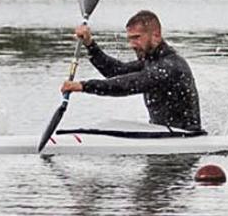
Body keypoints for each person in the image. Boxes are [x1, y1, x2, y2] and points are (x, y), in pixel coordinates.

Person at [61, 10, 202, 133]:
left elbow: (130, 84)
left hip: (184, 137)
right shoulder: (151, 61)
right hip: (164, 134)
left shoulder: (171, 66)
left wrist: (84, 86)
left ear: (156, 35)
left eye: (137, 38)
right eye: (130, 39)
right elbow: (116, 72)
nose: (132, 45)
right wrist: (90, 45)